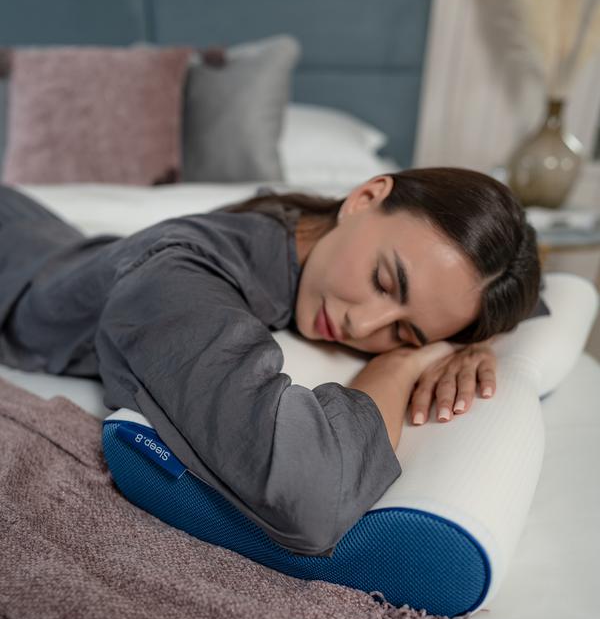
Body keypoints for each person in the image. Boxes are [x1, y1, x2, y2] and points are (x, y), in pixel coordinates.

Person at [0, 168, 542, 556]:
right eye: (383, 280)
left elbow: (540, 300)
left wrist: (470, 343)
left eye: (403, 330)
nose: (364, 325)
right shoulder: (178, 280)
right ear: (365, 196)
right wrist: (402, 361)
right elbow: (312, 497)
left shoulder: (297, 231)